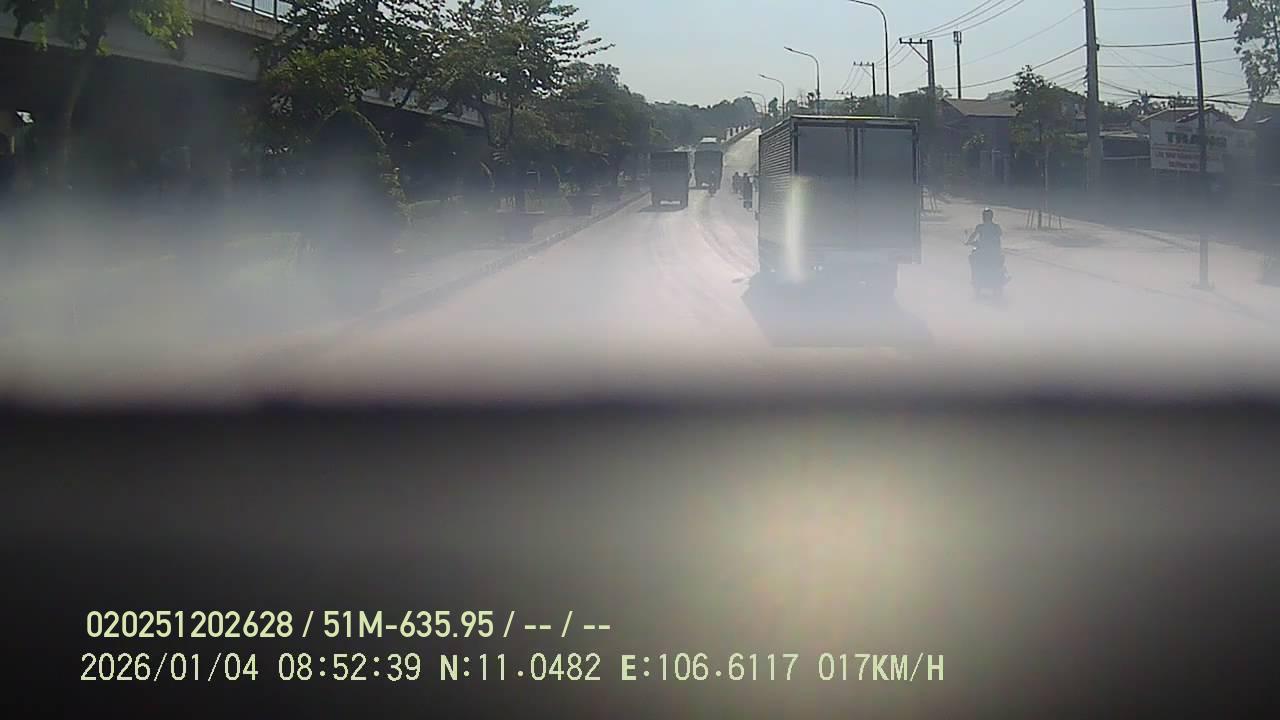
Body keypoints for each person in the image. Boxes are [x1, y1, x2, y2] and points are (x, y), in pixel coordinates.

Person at [966, 207, 1006, 280]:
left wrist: (969, 242)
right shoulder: (995, 227)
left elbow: (973, 235)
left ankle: (974, 276)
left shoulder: (981, 227)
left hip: (985, 250)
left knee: (972, 257)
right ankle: (1002, 276)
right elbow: (999, 235)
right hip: (992, 250)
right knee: (973, 257)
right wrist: (969, 241)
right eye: (984, 216)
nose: (984, 217)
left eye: (985, 216)